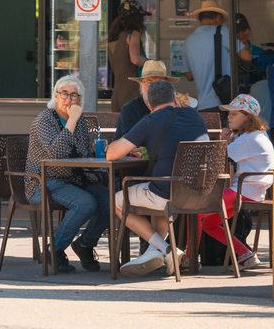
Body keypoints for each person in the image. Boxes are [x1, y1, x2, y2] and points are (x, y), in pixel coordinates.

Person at [107, 80, 208, 277]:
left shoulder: (150, 120)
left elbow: (112, 154)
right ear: (174, 98)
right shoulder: (196, 117)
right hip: (201, 193)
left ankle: (167, 250)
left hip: (167, 193)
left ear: (150, 105)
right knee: (157, 191)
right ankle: (159, 251)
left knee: (115, 201)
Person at [25, 75, 110, 274]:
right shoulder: (44, 120)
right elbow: (56, 154)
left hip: (74, 180)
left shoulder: (79, 121)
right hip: (44, 182)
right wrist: (72, 120)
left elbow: (81, 153)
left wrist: (97, 150)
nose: (69, 100)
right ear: (55, 96)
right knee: (86, 203)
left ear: (80, 100)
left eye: (74, 95)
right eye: (64, 94)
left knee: (110, 200)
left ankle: (85, 244)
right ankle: (54, 249)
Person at [197, 95, 274, 271]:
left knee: (194, 210)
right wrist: (230, 140)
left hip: (242, 191)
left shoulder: (248, 139)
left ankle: (188, 259)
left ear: (247, 117)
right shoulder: (257, 135)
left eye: (233, 113)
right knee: (209, 223)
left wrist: (224, 141)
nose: (228, 117)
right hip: (252, 190)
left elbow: (214, 157)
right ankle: (246, 255)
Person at [181, 0, 253, 117]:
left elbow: (189, 76)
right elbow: (247, 56)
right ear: (218, 18)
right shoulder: (222, 32)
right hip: (223, 104)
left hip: (202, 107)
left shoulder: (188, 40)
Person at [115, 60, 180, 140]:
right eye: (150, 82)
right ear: (140, 85)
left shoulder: (173, 107)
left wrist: (180, 112)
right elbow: (131, 145)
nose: (154, 88)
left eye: (159, 83)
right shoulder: (130, 109)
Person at [108, 0, 149, 111]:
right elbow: (135, 59)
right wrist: (153, 63)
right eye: (141, 17)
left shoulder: (112, 40)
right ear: (135, 18)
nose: (143, 20)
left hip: (117, 93)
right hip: (131, 92)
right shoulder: (133, 34)